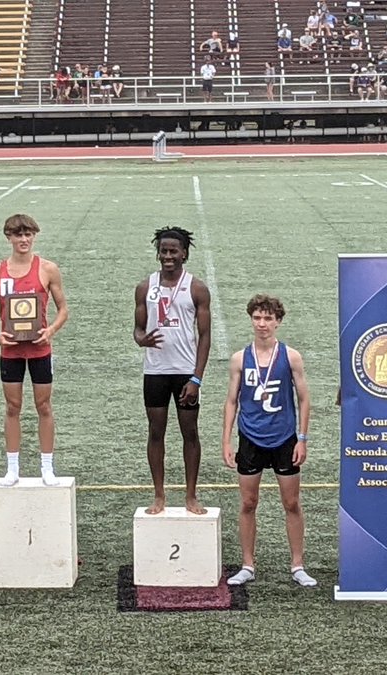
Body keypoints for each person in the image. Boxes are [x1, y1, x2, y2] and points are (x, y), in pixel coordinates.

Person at [221, 294, 316, 588]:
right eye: (257, 318)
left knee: (291, 502)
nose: (262, 324)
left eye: (268, 318)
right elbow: (231, 401)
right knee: (248, 502)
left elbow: (303, 399)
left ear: (278, 322)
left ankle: (297, 564)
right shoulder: (240, 358)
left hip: (284, 438)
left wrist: (302, 438)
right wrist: (226, 441)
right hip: (250, 438)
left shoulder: (290, 356)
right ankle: (248, 564)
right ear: (251, 319)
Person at [0, 215, 68, 486]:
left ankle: (47, 466)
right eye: (18, 235)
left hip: (40, 349)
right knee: (12, 406)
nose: (23, 240)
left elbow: (63, 309)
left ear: (35, 236)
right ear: (9, 237)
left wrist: (50, 330)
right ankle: (13, 467)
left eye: (28, 235)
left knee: (43, 405)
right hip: (11, 352)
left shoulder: (48, 269)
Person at [134, 227, 212, 515]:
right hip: (155, 371)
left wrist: (197, 377)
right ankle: (159, 495)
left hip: (184, 371)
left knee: (189, 432)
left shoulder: (197, 288)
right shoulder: (145, 287)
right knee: (156, 432)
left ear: (184, 254)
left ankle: (191, 495)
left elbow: (204, 336)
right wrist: (139, 338)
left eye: (173, 251)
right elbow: (138, 327)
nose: (168, 256)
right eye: (164, 251)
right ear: (159, 253)